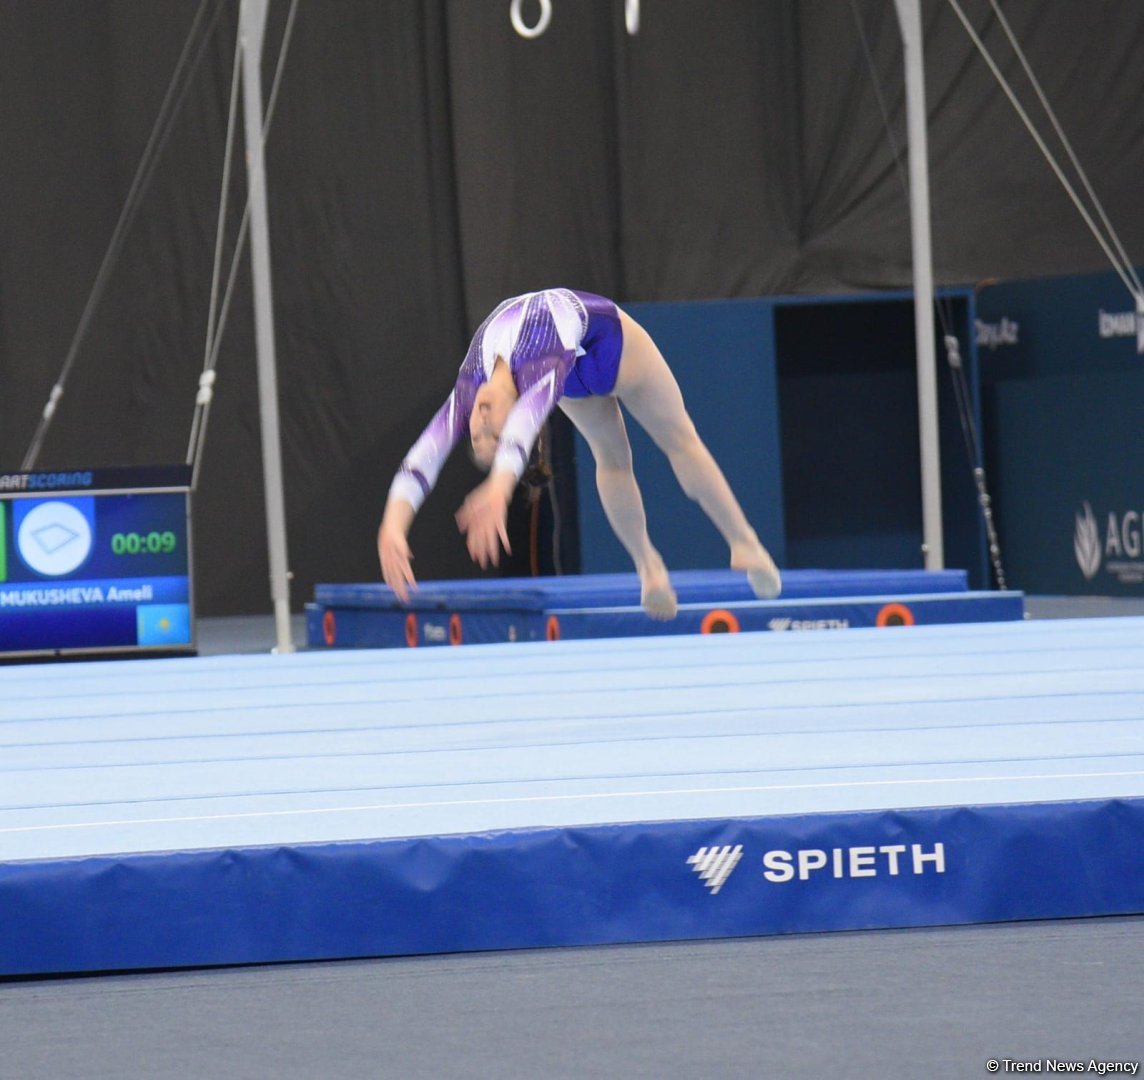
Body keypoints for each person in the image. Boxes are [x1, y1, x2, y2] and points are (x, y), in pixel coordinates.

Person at [377, 288, 781, 619]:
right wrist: (495, 490)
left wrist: (393, 524)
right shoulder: (537, 383)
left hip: (599, 344)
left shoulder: (471, 384)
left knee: (678, 442)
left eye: (477, 437)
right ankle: (648, 566)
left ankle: (744, 544)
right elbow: (517, 435)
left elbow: (423, 453)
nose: (480, 425)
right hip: (602, 355)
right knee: (621, 457)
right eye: (491, 438)